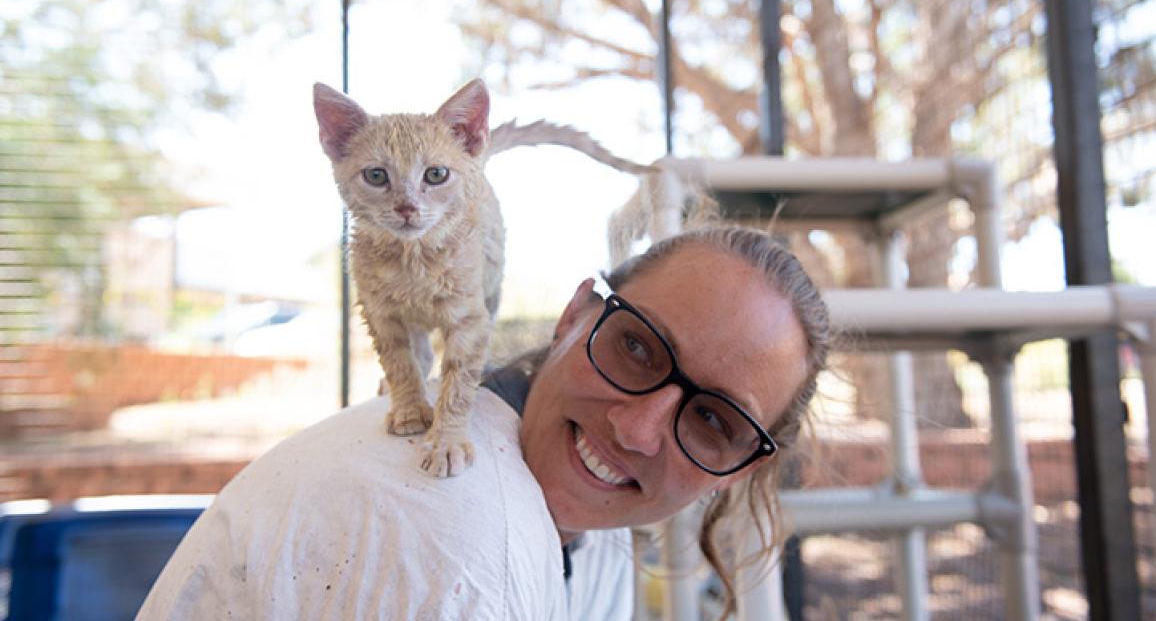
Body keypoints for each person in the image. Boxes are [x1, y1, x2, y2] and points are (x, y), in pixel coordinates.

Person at [138, 225, 830, 620]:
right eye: (638, 347)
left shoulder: (593, 543)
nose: (638, 429)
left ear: (740, 468)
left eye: (713, 420)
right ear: (575, 316)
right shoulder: (457, 544)